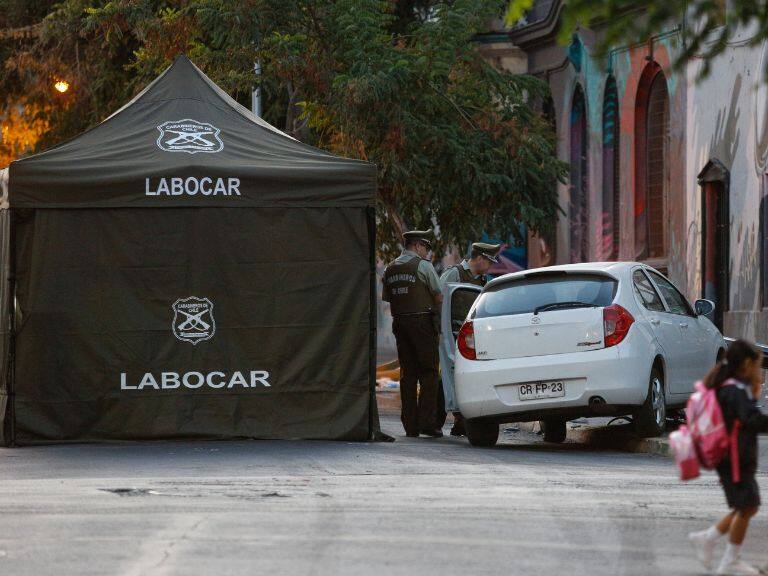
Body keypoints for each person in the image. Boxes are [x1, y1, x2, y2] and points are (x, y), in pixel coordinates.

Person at [688, 339, 767, 575]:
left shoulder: (730, 388)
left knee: (746, 506)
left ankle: (708, 539)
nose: (758, 371)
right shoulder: (734, 391)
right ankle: (728, 559)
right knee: (748, 506)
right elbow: (751, 420)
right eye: (757, 366)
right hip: (734, 460)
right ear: (745, 365)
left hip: (734, 459)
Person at [382, 228, 443, 438]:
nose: (426, 252)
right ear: (417, 246)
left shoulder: (389, 269)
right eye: (425, 247)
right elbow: (438, 294)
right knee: (429, 372)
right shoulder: (422, 266)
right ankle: (427, 422)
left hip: (400, 323)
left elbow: (389, 299)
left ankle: (410, 425)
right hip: (422, 323)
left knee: (408, 374)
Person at [436, 242, 501, 436]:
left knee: (466, 378)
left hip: (472, 336)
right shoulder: (453, 274)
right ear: (479, 258)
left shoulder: (484, 281)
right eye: (489, 261)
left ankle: (461, 422)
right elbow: (438, 301)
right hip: (451, 333)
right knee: (447, 377)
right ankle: (435, 421)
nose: (490, 266)